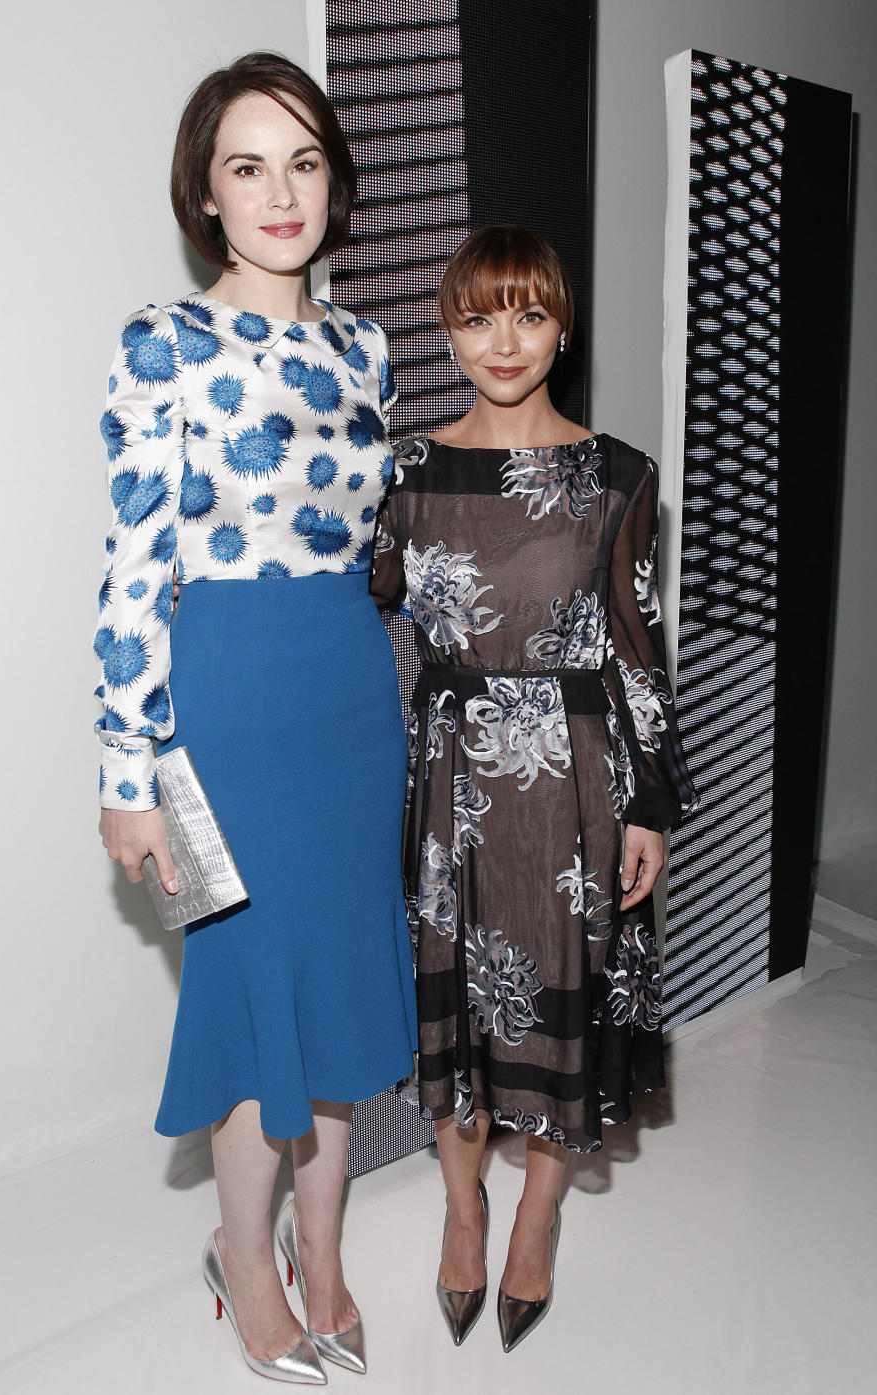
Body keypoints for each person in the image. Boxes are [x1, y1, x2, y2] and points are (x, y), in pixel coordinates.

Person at [95, 52, 416, 1384]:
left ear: (330, 184)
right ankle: (243, 1261)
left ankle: (323, 1254)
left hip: (349, 688)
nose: (281, 192)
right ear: (207, 195)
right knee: (243, 1001)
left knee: (339, 992)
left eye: (303, 162)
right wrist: (127, 771)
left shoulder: (364, 345)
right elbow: (130, 566)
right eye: (248, 165)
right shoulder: (160, 344)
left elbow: (375, 534)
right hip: (218, 711)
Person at [372, 225, 696, 1353]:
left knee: (573, 1011)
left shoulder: (618, 475)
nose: (503, 340)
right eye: (477, 316)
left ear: (563, 326)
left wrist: (652, 800)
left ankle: (537, 1221)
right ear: (448, 334)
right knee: (453, 1010)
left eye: (528, 313)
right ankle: (463, 1209)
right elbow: (350, 628)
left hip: (578, 787)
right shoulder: (404, 474)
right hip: (452, 781)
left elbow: (633, 642)